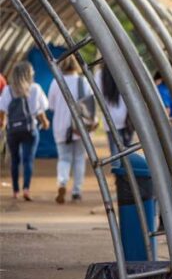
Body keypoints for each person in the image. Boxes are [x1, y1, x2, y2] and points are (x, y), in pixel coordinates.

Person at [0, 62, 49, 201]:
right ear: (29, 74)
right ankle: (26, 189)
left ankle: (15, 190)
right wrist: (45, 123)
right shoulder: (35, 89)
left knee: (14, 160)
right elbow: (40, 111)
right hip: (30, 129)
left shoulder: (8, 90)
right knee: (28, 160)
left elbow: (2, 110)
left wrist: (3, 122)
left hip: (12, 130)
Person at [47, 58, 91, 203]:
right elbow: (90, 104)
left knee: (64, 158)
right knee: (79, 158)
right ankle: (77, 192)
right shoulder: (82, 82)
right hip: (79, 127)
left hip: (61, 126)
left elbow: (51, 106)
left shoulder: (56, 82)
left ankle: (62, 183)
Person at [98, 68, 131, 150]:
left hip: (110, 118)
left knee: (116, 151)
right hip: (128, 117)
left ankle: (119, 163)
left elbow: (98, 95)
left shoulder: (100, 74)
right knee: (129, 150)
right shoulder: (124, 70)